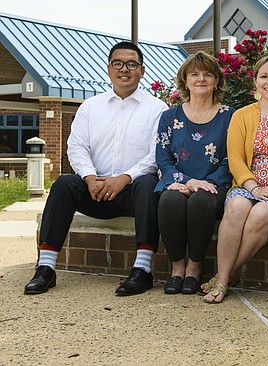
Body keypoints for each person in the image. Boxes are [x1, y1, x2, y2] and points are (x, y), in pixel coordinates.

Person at [24, 41, 168, 296]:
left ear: (142, 70)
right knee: (63, 184)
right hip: (95, 190)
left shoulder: (157, 108)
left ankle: (142, 269)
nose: (125, 69)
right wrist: (90, 178)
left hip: (132, 193)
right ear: (108, 68)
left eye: (132, 64)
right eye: (118, 63)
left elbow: (157, 154)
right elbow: (76, 147)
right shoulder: (91, 107)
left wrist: (124, 179)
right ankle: (46, 268)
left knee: (147, 183)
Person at [200, 54, 268, 304]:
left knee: (258, 217)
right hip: (248, 185)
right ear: (255, 82)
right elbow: (235, 159)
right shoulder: (242, 115)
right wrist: (254, 187)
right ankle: (225, 280)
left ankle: (224, 276)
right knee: (235, 208)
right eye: (264, 76)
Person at [154, 52, 234, 295]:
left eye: (207, 74)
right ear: (185, 81)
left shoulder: (230, 116)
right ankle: (177, 268)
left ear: (217, 81)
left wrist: (203, 184)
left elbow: (232, 158)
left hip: (213, 186)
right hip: (177, 184)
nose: (201, 79)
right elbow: (163, 157)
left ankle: (194, 269)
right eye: (194, 74)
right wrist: (187, 181)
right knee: (169, 201)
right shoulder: (170, 116)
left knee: (200, 201)